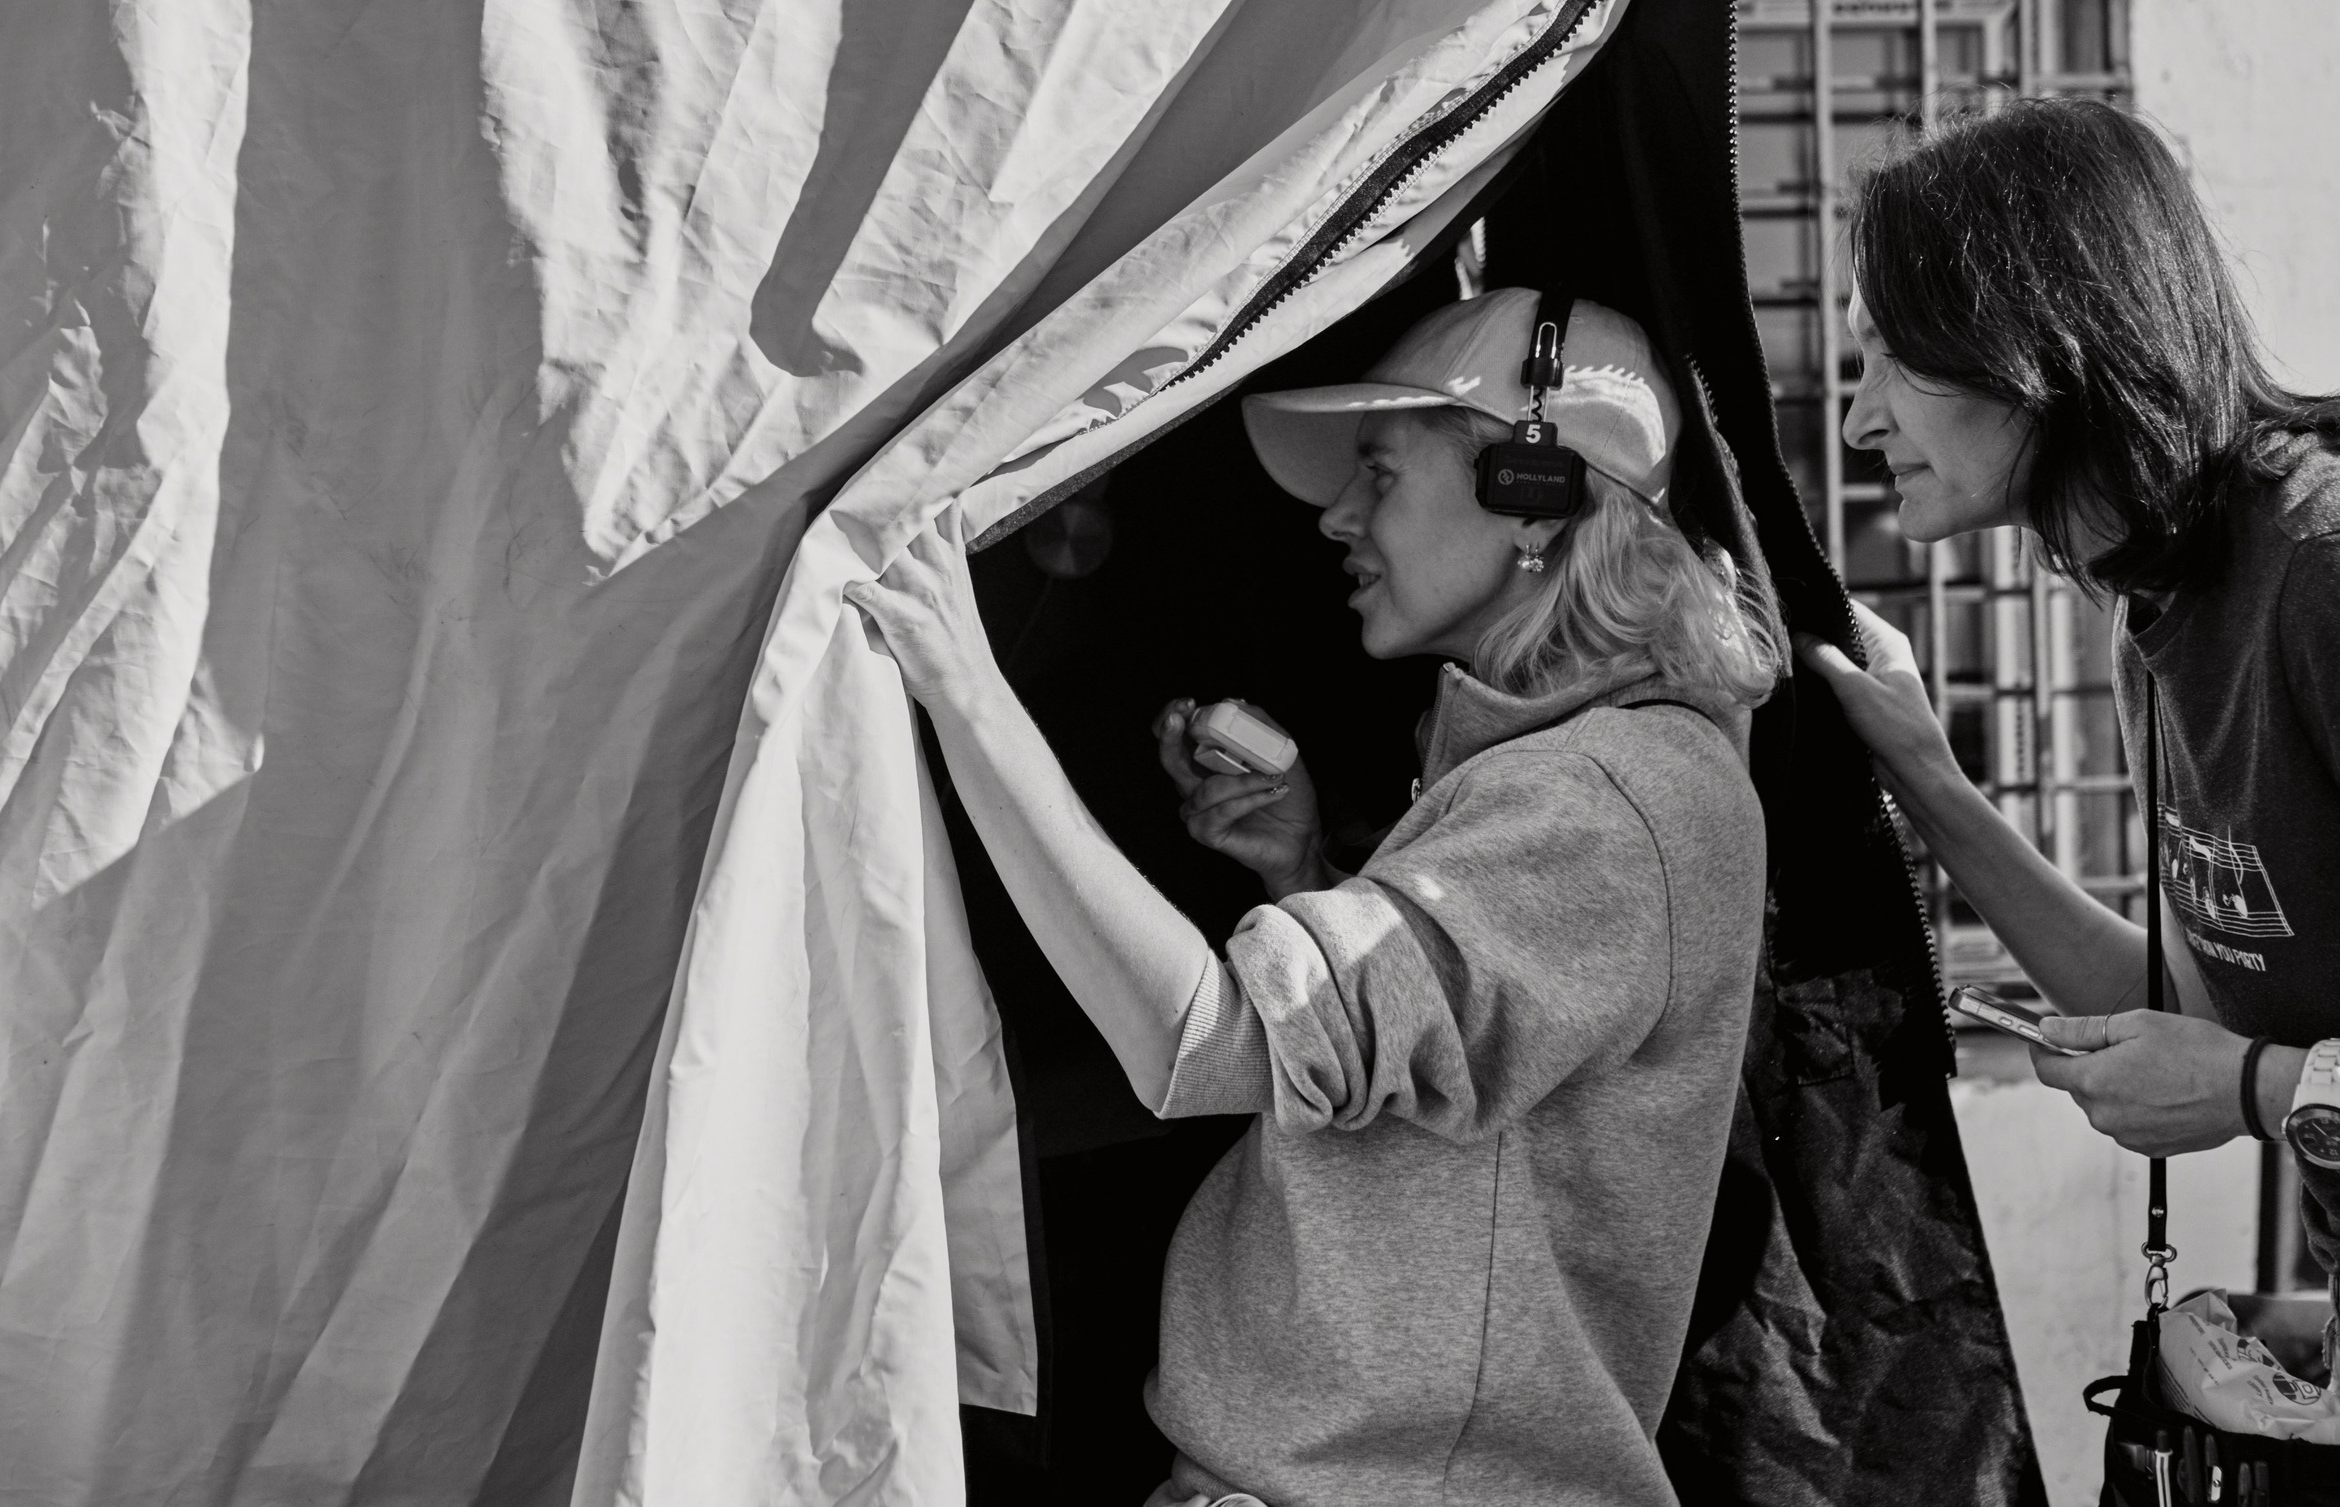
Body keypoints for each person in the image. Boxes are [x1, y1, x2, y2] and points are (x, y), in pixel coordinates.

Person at [848, 288, 1781, 1506]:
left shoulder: (1606, 798)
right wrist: (1305, 876)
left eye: (1381, 475)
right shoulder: (1571, 778)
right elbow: (1448, 1097)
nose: (1338, 517)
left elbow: (1198, 1046)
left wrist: (962, 685)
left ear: (1531, 500)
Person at [1792, 99, 2340, 1271]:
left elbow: (2242, 1063)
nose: (1855, 418)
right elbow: (2202, 1006)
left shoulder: (2321, 572)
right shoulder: (2147, 611)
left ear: (2034, 340)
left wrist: (2262, 1091)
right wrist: (1925, 778)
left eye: (1894, 351)